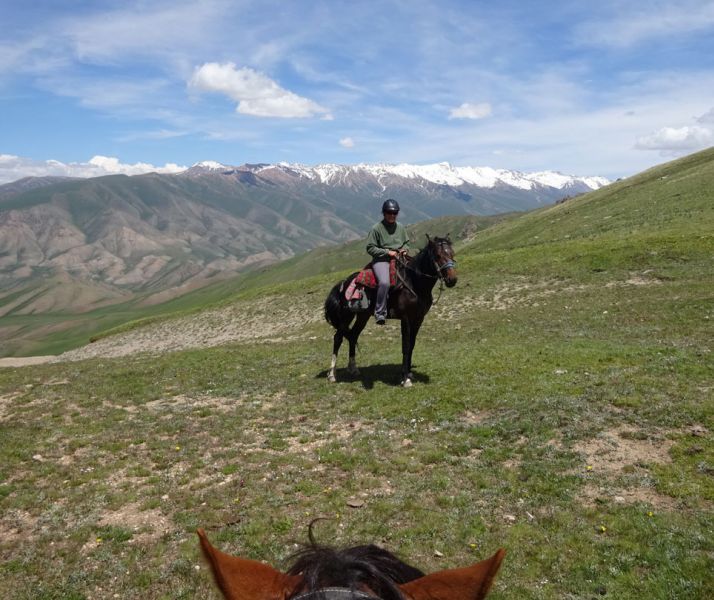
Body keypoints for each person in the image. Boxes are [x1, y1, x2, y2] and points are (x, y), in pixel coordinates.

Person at [366, 199, 410, 324]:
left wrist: (405, 250)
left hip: (399, 258)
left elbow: (406, 242)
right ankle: (380, 312)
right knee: (384, 282)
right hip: (382, 260)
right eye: (389, 212)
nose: (392, 215)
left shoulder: (400, 227)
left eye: (394, 213)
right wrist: (386, 252)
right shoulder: (376, 229)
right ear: (384, 213)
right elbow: (370, 248)